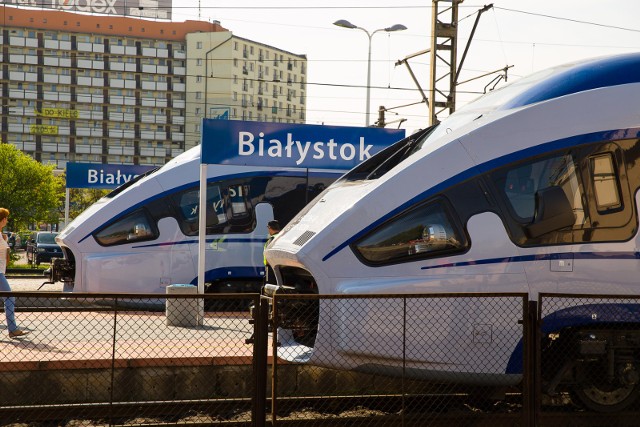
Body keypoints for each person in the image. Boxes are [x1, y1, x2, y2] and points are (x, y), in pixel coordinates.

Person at [0, 208, 29, 339]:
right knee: (9, 297)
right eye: (5, 218)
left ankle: (13, 329)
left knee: (8, 298)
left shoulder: (1, 234)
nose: (7, 220)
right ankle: (12, 329)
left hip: (1, 270)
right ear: (2, 219)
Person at [263, 220, 281, 285]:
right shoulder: (282, 237)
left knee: (271, 286)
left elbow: (268, 255)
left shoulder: (271, 240)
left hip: (272, 267)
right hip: (281, 266)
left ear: (270, 228)